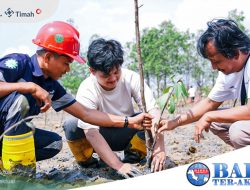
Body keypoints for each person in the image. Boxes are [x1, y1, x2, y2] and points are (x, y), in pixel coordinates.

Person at [0, 21, 152, 175]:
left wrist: (129, 121)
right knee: (20, 101)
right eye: (66, 63)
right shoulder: (18, 63)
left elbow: (86, 114)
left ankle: (6, 165)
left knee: (53, 144)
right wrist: (29, 87)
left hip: (6, 135)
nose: (68, 69)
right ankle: (18, 175)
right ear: (47, 57)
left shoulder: (52, 86)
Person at [63, 38, 166, 177]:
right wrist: (119, 166)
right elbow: (91, 132)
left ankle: (133, 157)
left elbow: (153, 111)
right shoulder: (86, 89)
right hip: (99, 136)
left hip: (127, 132)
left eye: (116, 72)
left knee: (147, 119)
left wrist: (159, 148)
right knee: (72, 125)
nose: (113, 78)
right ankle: (88, 163)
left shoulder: (131, 78)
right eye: (106, 75)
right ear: (92, 71)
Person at [157, 19, 250, 149]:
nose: (213, 67)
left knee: (238, 132)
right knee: (216, 121)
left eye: (216, 61)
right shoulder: (228, 73)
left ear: (235, 53)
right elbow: (210, 103)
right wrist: (174, 122)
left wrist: (209, 116)